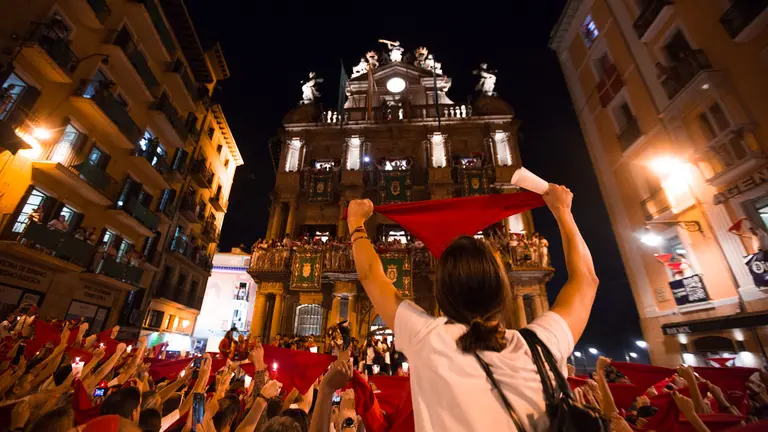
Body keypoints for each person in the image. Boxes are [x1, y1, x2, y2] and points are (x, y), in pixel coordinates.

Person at [345, 184, 600, 431]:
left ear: (441, 295)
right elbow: (586, 280)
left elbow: (369, 274)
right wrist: (562, 211)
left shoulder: (429, 339)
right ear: (502, 289)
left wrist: (356, 222)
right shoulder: (541, 346)